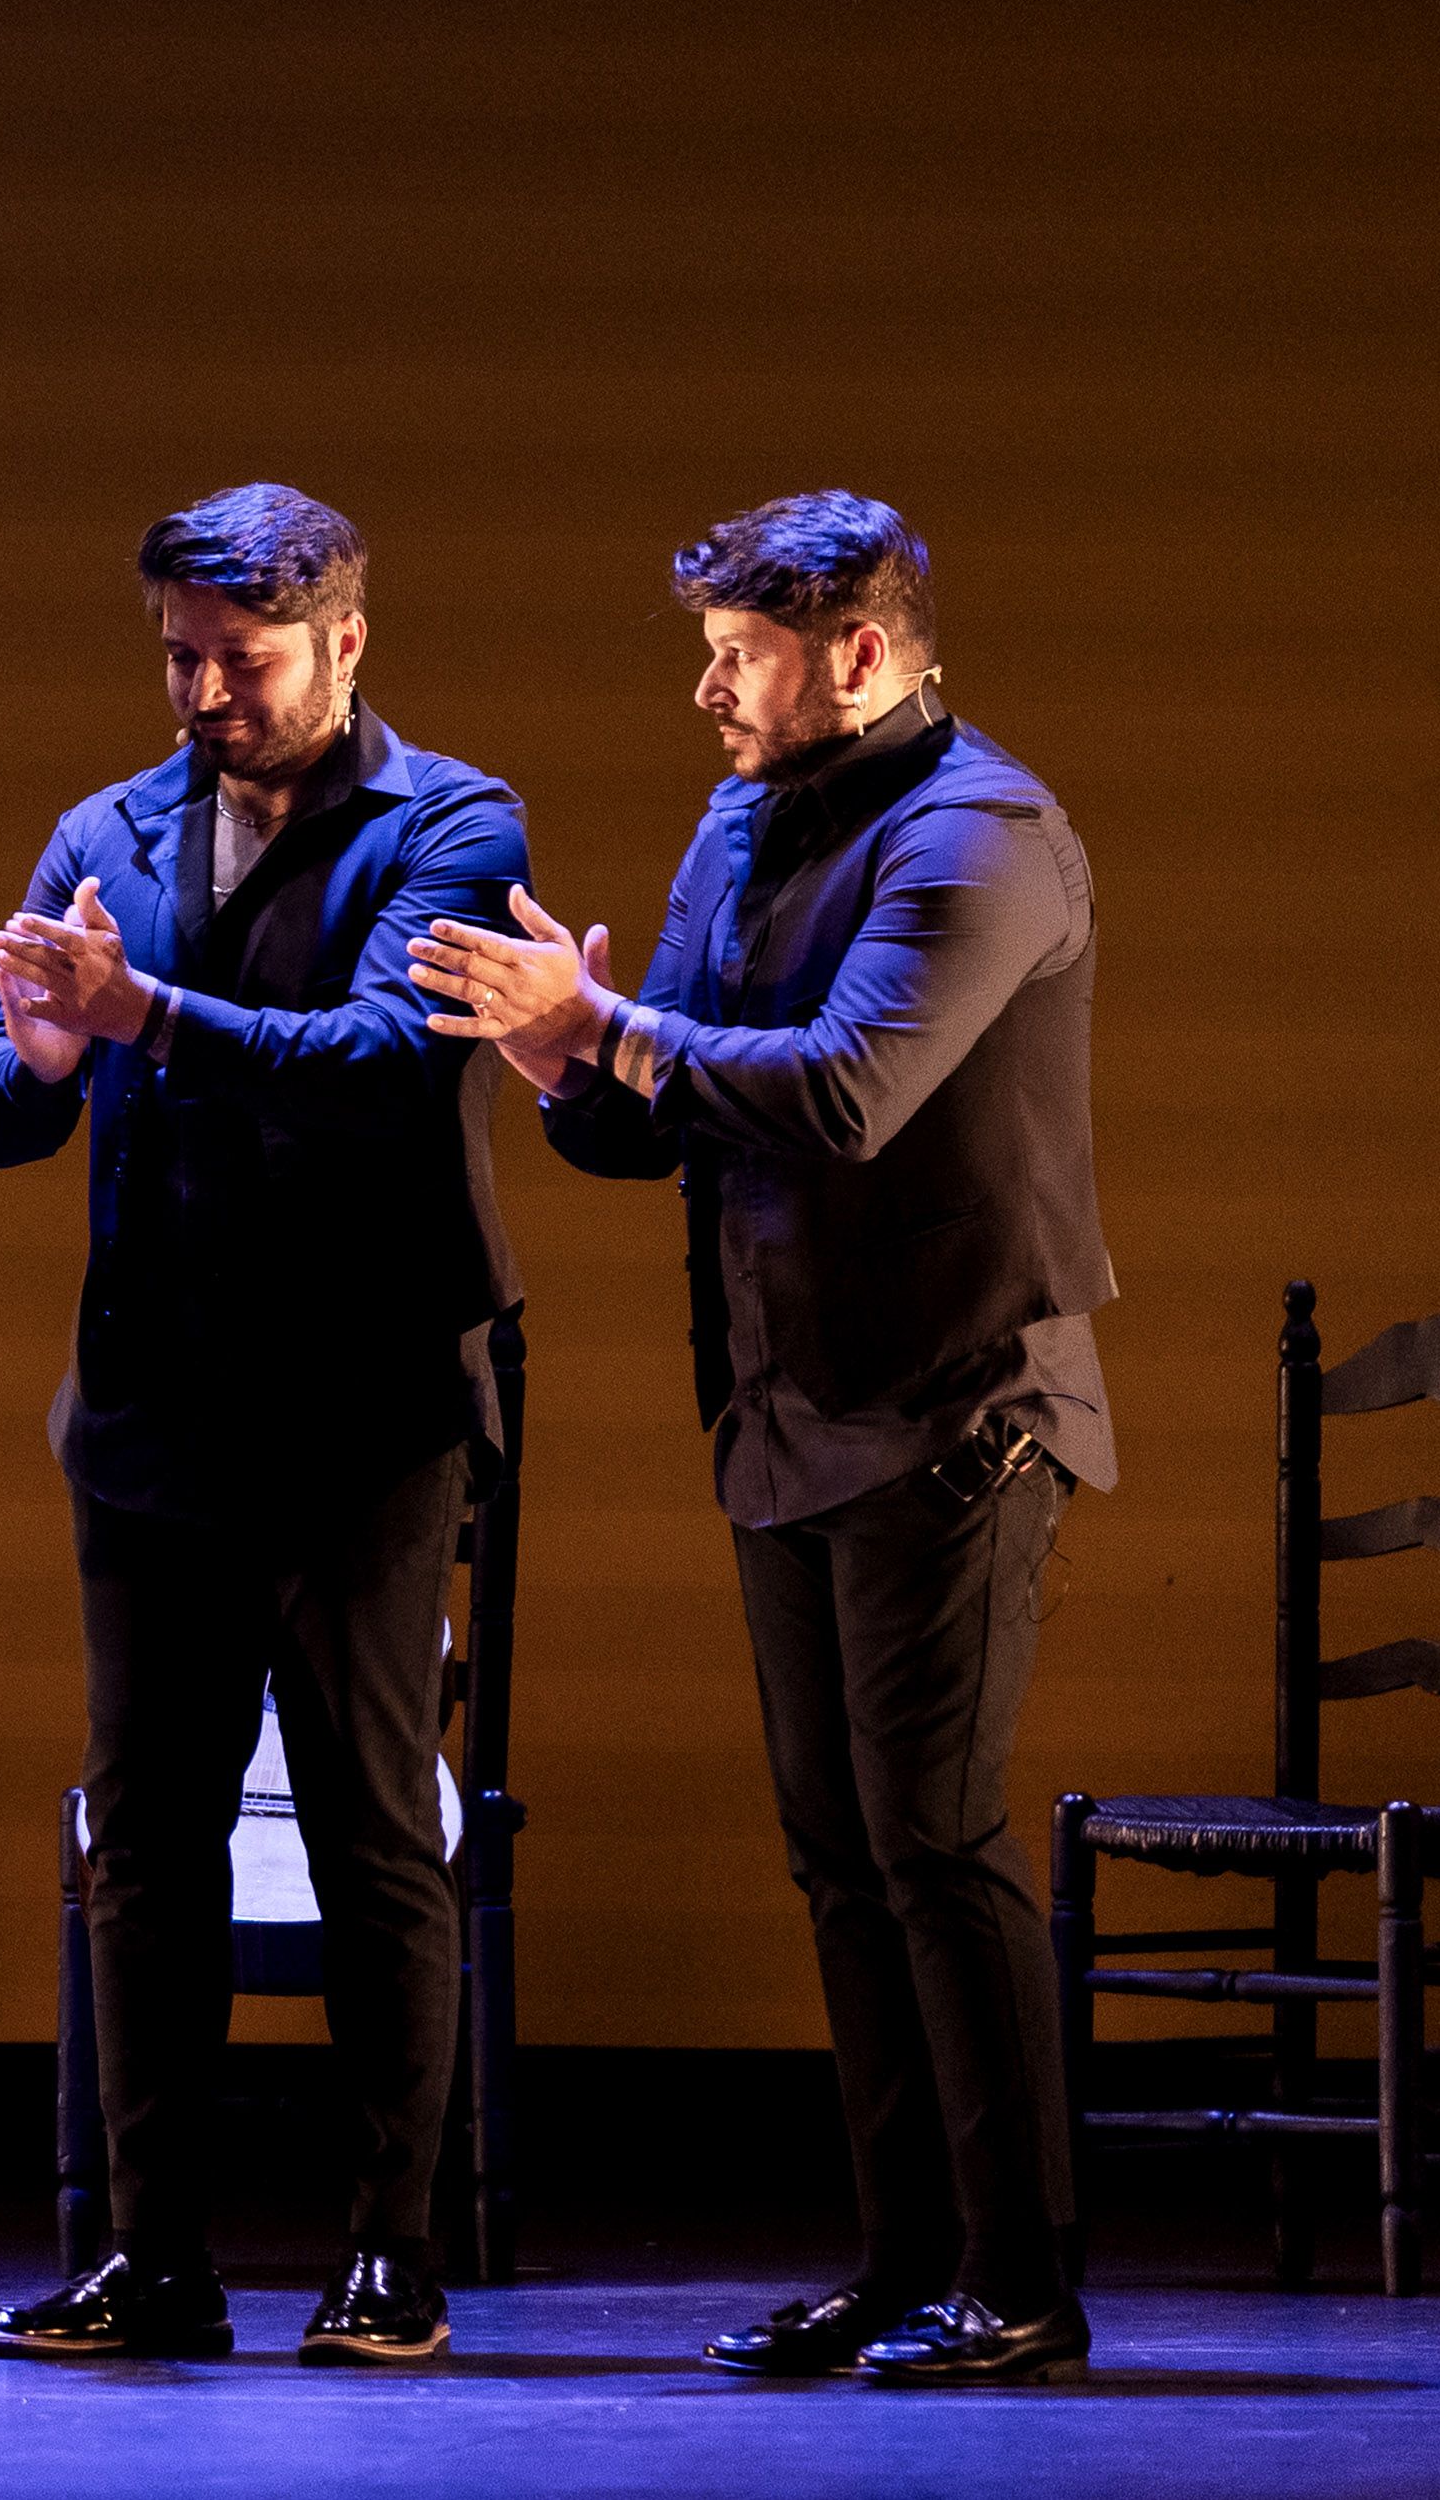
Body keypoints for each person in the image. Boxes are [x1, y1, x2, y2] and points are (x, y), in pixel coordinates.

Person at [410, 489, 1114, 2387]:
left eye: (743, 657)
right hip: (791, 1404)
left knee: (937, 1842)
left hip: (957, 1405)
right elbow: (671, 1114)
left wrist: (615, 1023)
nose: (711, 693)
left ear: (863, 655)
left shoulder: (986, 834)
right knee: (837, 1859)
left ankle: (1023, 2287)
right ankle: (902, 2267)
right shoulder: (742, 817)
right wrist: (563, 1055)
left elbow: (853, 1094)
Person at [0, 484, 527, 2365]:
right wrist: (37, 1055)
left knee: (375, 1836)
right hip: (151, 1414)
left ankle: (390, 2251)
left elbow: (382, 1064)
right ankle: (157, 2257)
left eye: (246, 660)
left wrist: (140, 1013)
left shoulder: (449, 820)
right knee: (150, 1841)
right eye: (181, 658)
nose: (207, 693)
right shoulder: (108, 827)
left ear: (347, 641)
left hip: (361, 1415)